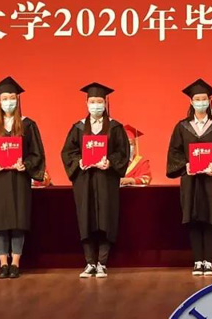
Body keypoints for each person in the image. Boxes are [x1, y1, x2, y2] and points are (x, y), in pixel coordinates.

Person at [0, 76, 46, 279]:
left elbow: (37, 154)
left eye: (12, 98)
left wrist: (26, 165)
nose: (9, 102)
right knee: (0, 222)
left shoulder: (28, 125)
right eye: (5, 98)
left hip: (19, 179)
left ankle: (15, 262)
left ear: (18, 100)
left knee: (18, 221)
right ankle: (3, 263)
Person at [61, 82, 130, 278]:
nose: (96, 105)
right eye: (92, 102)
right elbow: (68, 152)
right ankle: (90, 262)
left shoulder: (115, 127)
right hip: (85, 180)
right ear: (86, 103)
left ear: (105, 103)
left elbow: (123, 152)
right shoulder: (78, 127)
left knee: (106, 219)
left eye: (99, 102)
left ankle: (102, 263)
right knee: (87, 219)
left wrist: (110, 162)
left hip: (106, 180)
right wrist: (79, 161)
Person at [166, 79, 212, 276]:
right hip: (191, 180)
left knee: (211, 218)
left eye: (204, 99)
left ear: (209, 101)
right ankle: (197, 261)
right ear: (191, 102)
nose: (201, 102)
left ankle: (208, 261)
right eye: (197, 99)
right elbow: (175, 153)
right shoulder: (182, 127)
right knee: (193, 218)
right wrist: (185, 166)